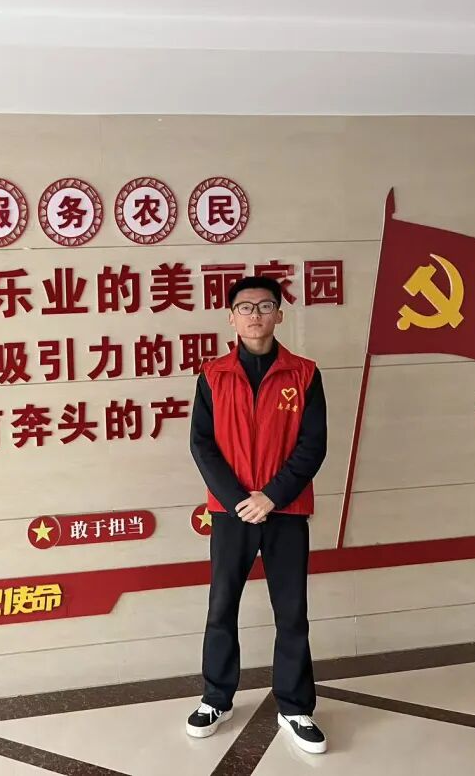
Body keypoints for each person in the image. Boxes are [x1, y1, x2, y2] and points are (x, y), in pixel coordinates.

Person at [184, 276, 328, 755]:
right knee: (222, 606)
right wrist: (237, 500)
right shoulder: (212, 375)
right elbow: (201, 445)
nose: (255, 315)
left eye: (265, 306)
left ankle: (295, 706)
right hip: (231, 513)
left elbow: (313, 445)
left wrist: (271, 497)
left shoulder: (304, 373)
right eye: (245, 307)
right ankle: (216, 698)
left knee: (292, 612)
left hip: (285, 510)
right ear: (231, 317)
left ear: (279, 315)